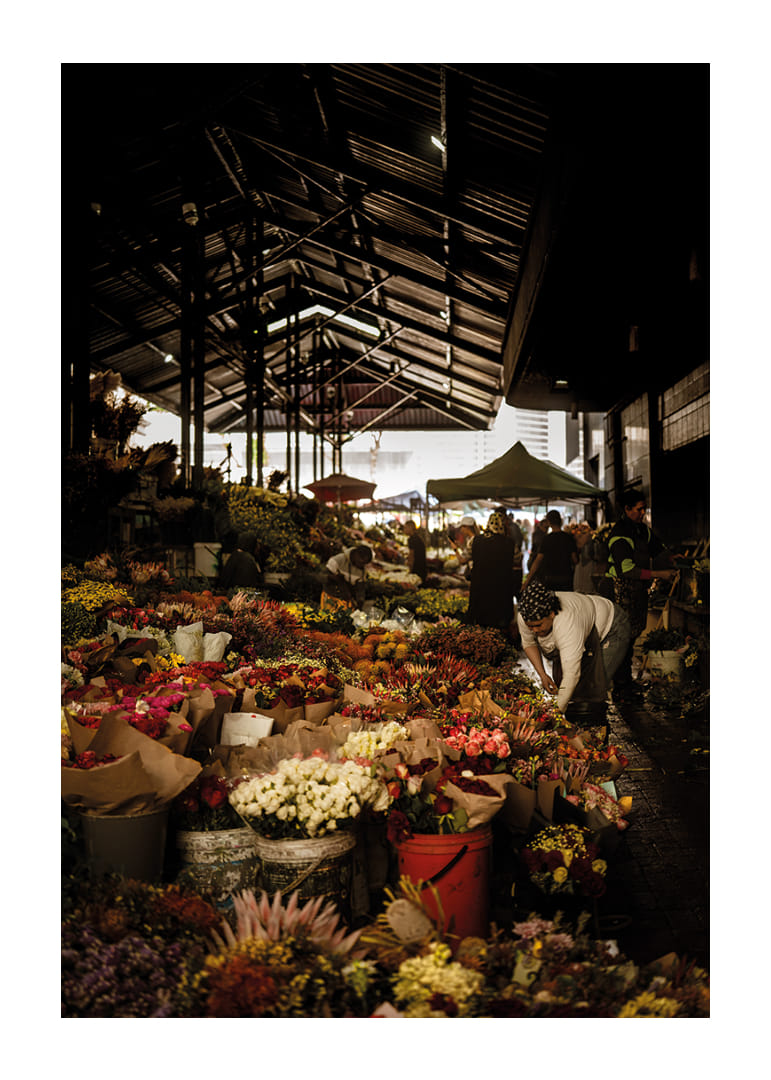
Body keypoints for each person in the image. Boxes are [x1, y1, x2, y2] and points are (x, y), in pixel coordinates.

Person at [516, 580, 633, 714]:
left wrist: (556, 714)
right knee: (564, 685)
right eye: (531, 626)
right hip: (585, 620)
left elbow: (572, 673)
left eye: (539, 625)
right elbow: (529, 644)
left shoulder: (567, 622)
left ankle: (596, 727)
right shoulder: (525, 614)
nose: (535, 630)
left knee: (592, 687)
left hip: (612, 627)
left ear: (551, 614)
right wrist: (542, 675)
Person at [606, 489, 677, 700]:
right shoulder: (619, 535)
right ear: (627, 510)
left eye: (644, 508)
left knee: (633, 634)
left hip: (638, 590)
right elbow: (627, 570)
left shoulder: (641, 531)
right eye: (638, 509)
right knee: (623, 637)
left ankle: (626, 683)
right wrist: (659, 574)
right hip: (622, 590)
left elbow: (657, 549)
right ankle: (620, 685)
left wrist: (673, 558)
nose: (642, 512)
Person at [467, 508, 518, 638]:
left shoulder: (475, 540)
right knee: (498, 628)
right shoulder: (510, 543)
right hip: (501, 592)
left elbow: (467, 557)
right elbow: (517, 561)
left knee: (481, 626)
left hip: (480, 590)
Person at [524, 510, 578, 592]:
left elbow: (538, 561)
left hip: (550, 578)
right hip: (566, 578)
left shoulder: (546, 539)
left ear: (549, 522)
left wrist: (527, 581)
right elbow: (575, 559)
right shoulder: (568, 538)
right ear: (560, 521)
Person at [323, 544, 373, 609]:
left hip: (345, 601)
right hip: (330, 596)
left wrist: (360, 600)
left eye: (364, 563)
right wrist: (333, 578)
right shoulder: (339, 559)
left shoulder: (362, 570)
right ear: (355, 554)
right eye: (361, 562)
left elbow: (360, 589)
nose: (362, 565)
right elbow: (322, 576)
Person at [573, 521, 598, 594]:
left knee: (586, 585)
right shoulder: (582, 534)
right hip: (582, 561)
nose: (581, 528)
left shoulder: (590, 535)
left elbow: (580, 543)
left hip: (588, 561)